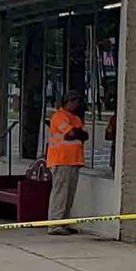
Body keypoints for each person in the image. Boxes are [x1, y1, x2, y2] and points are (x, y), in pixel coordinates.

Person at [44, 92, 87, 223]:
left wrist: (77, 134)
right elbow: (72, 133)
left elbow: (84, 135)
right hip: (61, 160)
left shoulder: (76, 118)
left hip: (74, 160)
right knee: (60, 194)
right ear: (68, 101)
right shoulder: (59, 116)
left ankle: (64, 222)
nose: (77, 104)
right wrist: (76, 133)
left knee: (69, 195)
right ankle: (55, 223)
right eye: (75, 101)